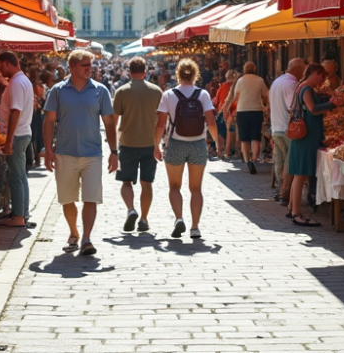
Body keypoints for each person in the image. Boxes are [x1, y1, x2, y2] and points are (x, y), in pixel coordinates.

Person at [43, 49, 118, 257]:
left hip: (93, 152)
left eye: (90, 65)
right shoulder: (57, 91)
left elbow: (109, 122)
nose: (89, 69)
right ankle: (74, 232)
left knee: (90, 198)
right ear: (72, 67)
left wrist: (114, 151)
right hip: (65, 152)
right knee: (67, 198)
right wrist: (48, 150)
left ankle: (86, 238)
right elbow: (49, 121)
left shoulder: (100, 90)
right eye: (84, 65)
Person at [154, 59, 220, 239]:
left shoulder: (168, 95)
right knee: (196, 188)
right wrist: (217, 143)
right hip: (198, 144)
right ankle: (195, 227)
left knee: (175, 186)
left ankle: (178, 218)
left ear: (178, 74)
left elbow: (160, 125)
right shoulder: (203, 94)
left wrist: (156, 146)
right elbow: (211, 122)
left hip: (176, 142)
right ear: (195, 74)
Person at [111, 56, 163, 233]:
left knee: (126, 182)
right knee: (146, 183)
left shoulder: (122, 91)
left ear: (129, 72)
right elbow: (162, 121)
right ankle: (144, 219)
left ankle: (131, 209)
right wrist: (159, 143)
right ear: (146, 72)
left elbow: (114, 120)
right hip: (150, 142)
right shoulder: (156, 91)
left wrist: (112, 144)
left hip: (127, 142)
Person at [288, 64, 344, 226]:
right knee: (301, 174)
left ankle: (292, 209)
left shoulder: (301, 87)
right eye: (321, 75)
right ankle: (296, 214)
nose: (322, 79)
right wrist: (331, 104)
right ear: (313, 73)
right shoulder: (306, 89)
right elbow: (312, 109)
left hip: (304, 136)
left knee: (299, 174)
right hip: (306, 136)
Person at [0, 52, 35, 229]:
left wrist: (9, 140)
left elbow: (15, 111)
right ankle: (22, 213)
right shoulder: (22, 81)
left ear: (6, 64)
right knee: (20, 176)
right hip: (21, 133)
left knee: (16, 177)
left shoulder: (17, 83)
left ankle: (19, 216)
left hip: (18, 135)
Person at [268, 58, 304, 203]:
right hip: (288, 129)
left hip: (276, 127)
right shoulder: (292, 84)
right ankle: (285, 193)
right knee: (289, 162)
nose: (303, 73)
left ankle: (281, 189)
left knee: (279, 161)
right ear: (297, 69)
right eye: (303, 69)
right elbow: (292, 107)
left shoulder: (277, 81)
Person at [230, 61, 269, 174]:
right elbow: (266, 94)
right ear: (254, 68)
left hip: (242, 111)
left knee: (244, 139)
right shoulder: (260, 80)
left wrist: (229, 108)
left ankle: (247, 161)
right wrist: (266, 106)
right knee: (255, 137)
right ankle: (254, 159)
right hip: (256, 111)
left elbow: (236, 96)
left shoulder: (240, 81)